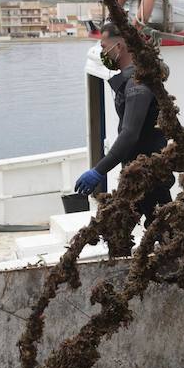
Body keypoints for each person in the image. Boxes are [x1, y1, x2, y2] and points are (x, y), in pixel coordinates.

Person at [73, 24, 172, 223]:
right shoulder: (133, 79)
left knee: (161, 227)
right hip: (137, 171)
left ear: (119, 47)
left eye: (104, 47)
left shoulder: (138, 83)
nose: (102, 53)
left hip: (149, 173)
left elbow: (129, 134)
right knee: (144, 223)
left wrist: (98, 171)